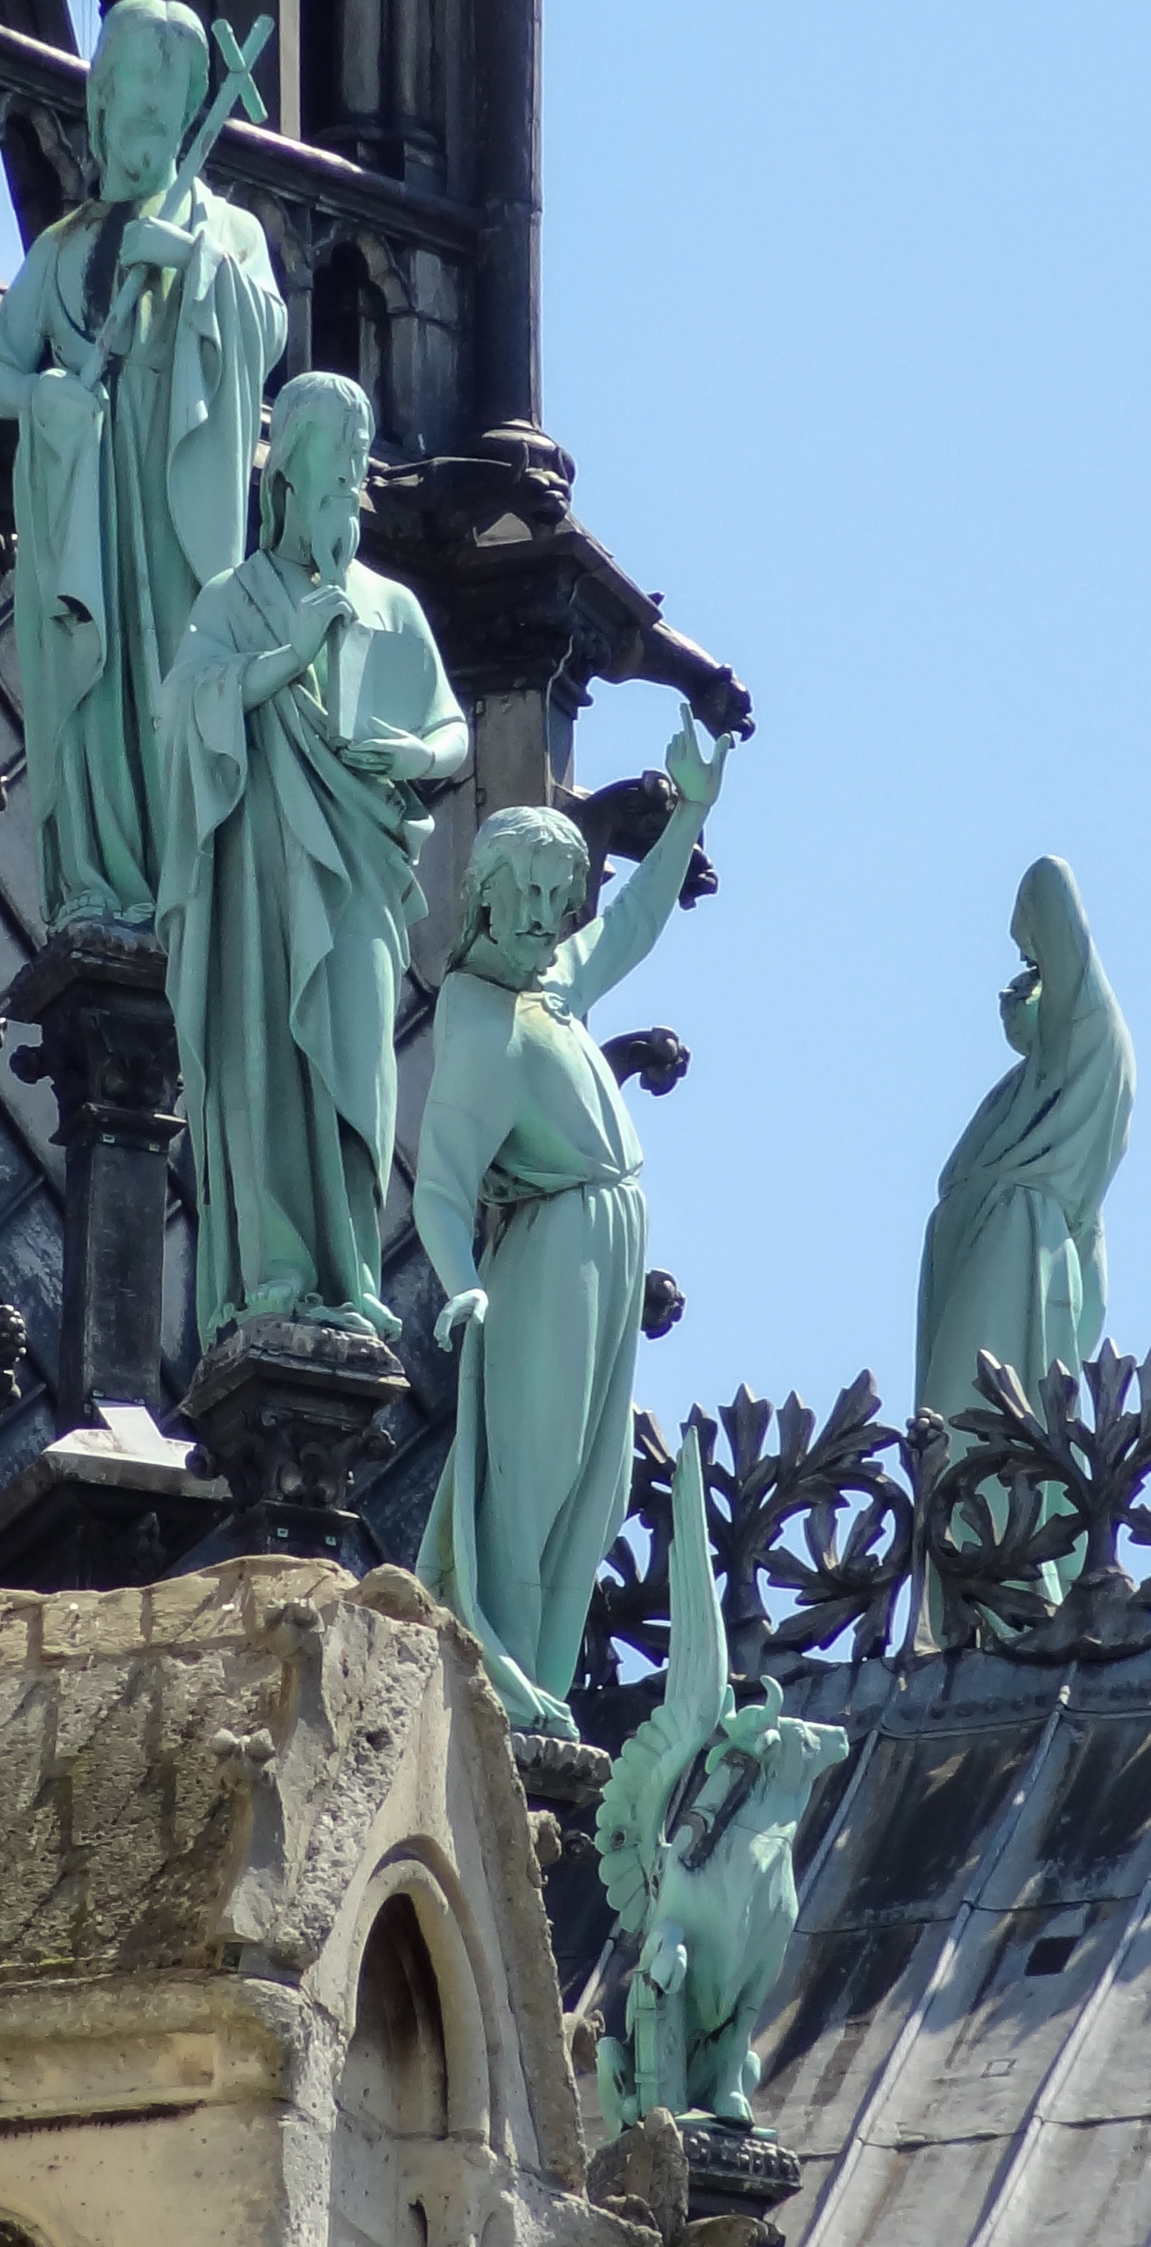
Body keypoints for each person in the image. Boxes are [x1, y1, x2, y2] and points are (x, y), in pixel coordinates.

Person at [413, 709, 731, 1735]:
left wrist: (690, 813)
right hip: (549, 1253)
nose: (549, 914)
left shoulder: (553, 983)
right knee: (537, 1472)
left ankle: (541, 1672)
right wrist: (459, 1278)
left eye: (561, 896)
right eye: (529, 895)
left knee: (592, 1489)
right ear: (484, 897)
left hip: (607, 1238)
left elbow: (634, 918)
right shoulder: (477, 1019)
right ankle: (499, 1666)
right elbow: (444, 1184)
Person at [158, 373, 468, 1345]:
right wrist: (288, 660)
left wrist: (416, 755)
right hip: (259, 873)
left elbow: (454, 730)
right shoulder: (234, 598)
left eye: (357, 464)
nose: (349, 484)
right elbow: (181, 718)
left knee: (356, 1074)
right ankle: (280, 1265)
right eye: (333, 464)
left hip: (360, 875)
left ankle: (351, 1265)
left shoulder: (393, 605)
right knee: (263, 1060)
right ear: (286, 471)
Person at [0, 0, 286, 929]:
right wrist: (45, 399)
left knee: (174, 678)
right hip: (88, 513)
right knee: (99, 694)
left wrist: (192, 266)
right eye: (128, 106)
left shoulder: (229, 232)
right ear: (99, 112)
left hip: (180, 499)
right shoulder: (60, 251)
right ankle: (106, 881)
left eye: (165, 111)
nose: (143, 128)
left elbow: (266, 333)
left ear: (188, 114)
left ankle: (179, 884)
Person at [914, 855, 1134, 1445]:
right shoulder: (1023, 1088)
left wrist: (1030, 940)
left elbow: (1050, 880)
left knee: (972, 1420)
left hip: (1014, 1249)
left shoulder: (1084, 1047)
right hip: (973, 1245)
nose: (1010, 991)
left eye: (1031, 977)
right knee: (941, 1432)